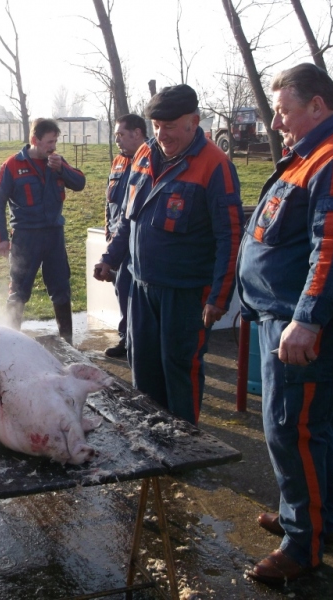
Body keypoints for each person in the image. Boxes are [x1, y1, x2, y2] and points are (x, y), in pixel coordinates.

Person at [237, 63, 333, 585]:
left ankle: (304, 545)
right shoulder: (312, 155)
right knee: (304, 426)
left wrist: (307, 319)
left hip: (306, 323)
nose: (276, 122)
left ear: (316, 105)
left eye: (283, 110)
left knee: (292, 427)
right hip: (285, 316)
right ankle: (312, 516)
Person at [93, 85, 244, 425]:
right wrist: (111, 257)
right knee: (142, 361)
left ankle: (184, 443)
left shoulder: (215, 166)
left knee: (179, 366)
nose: (162, 134)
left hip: (185, 292)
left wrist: (219, 297)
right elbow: (130, 218)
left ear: (194, 120)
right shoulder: (145, 155)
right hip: (141, 287)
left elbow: (230, 236)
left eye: (170, 125)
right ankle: (152, 434)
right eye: (157, 125)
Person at [0, 117, 86, 344]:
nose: (53, 147)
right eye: (49, 142)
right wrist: (1, 239)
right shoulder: (12, 165)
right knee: (19, 292)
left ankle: (67, 342)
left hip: (54, 236)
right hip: (25, 238)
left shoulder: (57, 162)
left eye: (55, 141)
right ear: (35, 140)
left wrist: (62, 169)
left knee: (61, 288)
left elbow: (80, 183)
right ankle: (11, 342)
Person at [102, 114, 147, 358]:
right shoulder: (118, 161)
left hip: (138, 242)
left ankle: (137, 342)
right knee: (122, 289)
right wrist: (109, 234)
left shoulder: (152, 160)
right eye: (116, 134)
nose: (117, 139)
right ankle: (126, 339)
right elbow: (109, 203)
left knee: (135, 294)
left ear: (137, 133)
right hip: (118, 241)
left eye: (121, 134)